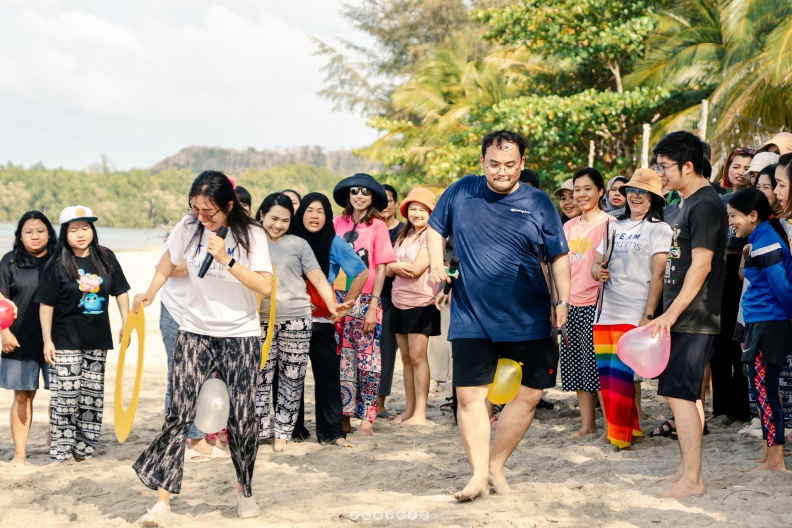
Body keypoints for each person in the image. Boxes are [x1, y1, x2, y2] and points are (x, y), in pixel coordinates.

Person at [427, 129, 570, 500]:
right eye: (493, 164)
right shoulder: (462, 190)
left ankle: (496, 465)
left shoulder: (539, 202)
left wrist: (563, 302)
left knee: (531, 394)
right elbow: (434, 228)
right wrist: (435, 263)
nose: (501, 171)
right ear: (482, 162)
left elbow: (558, 255)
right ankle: (477, 475)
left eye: (509, 164)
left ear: (522, 163)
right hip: (471, 315)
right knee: (469, 397)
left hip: (528, 315)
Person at [132, 171, 272, 522]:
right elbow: (167, 262)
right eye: (196, 209)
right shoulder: (188, 226)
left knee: (242, 417)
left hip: (240, 334)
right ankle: (162, 501)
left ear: (229, 206)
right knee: (178, 412)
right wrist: (151, 291)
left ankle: (244, 492)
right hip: (194, 330)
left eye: (208, 211)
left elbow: (265, 286)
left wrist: (227, 259)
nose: (201, 217)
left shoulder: (252, 234)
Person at [646, 131, 727, 498]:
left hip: (694, 318)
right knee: (682, 395)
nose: (660, 174)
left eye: (664, 167)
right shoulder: (686, 203)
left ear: (688, 166)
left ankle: (693, 480)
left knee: (681, 396)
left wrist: (671, 314)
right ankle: (685, 471)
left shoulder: (706, 204)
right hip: (681, 317)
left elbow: (702, 266)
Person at [36, 205, 131, 463]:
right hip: (64, 340)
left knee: (92, 397)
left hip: (97, 339)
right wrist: (47, 340)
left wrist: (126, 322)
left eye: (86, 228)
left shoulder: (106, 257)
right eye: (74, 229)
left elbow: (121, 291)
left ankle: (83, 449)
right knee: (66, 397)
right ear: (64, 233)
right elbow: (46, 305)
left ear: (93, 230)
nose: (81, 234)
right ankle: (61, 450)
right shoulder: (56, 264)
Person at [590, 170, 672, 449]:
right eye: (632, 190)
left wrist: (648, 315)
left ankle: (620, 438)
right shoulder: (613, 226)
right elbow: (595, 264)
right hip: (604, 311)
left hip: (634, 311)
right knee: (606, 378)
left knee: (621, 378)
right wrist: (597, 271)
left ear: (654, 198)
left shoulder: (660, 229)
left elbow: (658, 276)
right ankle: (631, 430)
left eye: (643, 191)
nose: (635, 196)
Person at [254, 193, 340, 452]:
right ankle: (259, 431)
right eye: (273, 218)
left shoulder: (299, 244)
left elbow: (318, 278)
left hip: (296, 320)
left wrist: (332, 304)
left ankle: (283, 433)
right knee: (259, 377)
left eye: (285, 220)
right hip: (259, 321)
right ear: (262, 215)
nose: (278, 225)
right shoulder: (250, 242)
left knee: (292, 378)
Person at [291, 192, 368, 447]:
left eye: (320, 211)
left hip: (321, 321)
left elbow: (361, 272)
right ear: (301, 213)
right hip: (289, 318)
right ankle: (293, 430)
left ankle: (332, 432)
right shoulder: (289, 240)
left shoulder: (335, 242)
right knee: (290, 376)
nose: (314, 216)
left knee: (327, 377)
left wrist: (346, 306)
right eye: (309, 210)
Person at [727, 188, 792, 472]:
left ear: (753, 215)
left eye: (733, 216)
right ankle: (769, 453)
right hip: (761, 322)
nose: (730, 222)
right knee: (762, 389)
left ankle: (776, 460)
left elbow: (783, 288)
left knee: (765, 390)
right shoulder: (759, 238)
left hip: (769, 323)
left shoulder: (765, 241)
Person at [332, 173, 396, 435]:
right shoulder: (336, 223)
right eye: (354, 191)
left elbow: (380, 269)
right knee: (341, 360)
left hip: (367, 299)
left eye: (365, 192)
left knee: (367, 360)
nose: (359, 196)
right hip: (337, 298)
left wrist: (373, 305)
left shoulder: (378, 226)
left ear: (373, 197)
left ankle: (368, 419)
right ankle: (344, 416)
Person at [561, 167, 615, 439]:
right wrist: (560, 303)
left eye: (587, 189)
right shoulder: (568, 227)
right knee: (578, 369)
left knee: (599, 369)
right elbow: (561, 267)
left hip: (598, 305)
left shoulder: (610, 224)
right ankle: (587, 425)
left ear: (600, 191)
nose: (580, 195)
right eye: (577, 190)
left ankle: (610, 427)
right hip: (571, 305)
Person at [0, 212, 56, 466]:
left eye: (40, 230)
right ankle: (20, 455)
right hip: (18, 339)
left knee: (61, 395)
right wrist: (3, 332)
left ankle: (57, 440)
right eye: (29, 231)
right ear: (20, 236)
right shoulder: (9, 261)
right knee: (23, 396)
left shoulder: (59, 260)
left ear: (49, 233)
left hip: (56, 340)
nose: (35, 236)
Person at [387, 188, 440, 426]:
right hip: (399, 301)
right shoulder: (404, 234)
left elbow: (416, 269)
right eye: (413, 209)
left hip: (421, 302)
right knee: (406, 359)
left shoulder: (432, 235)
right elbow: (387, 269)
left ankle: (420, 413)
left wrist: (393, 267)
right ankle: (409, 410)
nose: (417, 214)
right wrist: (393, 267)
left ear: (431, 212)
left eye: (422, 209)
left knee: (419, 358)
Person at [711, 147, 756, 426]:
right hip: (719, 273)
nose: (740, 172)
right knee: (718, 342)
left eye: (746, 167)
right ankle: (720, 407)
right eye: (735, 166)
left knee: (738, 341)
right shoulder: (718, 201)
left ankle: (741, 410)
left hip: (744, 273)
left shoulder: (757, 202)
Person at [377, 184, 404, 419]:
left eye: (389, 200)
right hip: (366, 295)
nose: (385, 205)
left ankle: (380, 403)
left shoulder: (404, 231)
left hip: (393, 298)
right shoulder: (368, 228)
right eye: (381, 200)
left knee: (386, 350)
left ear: (396, 203)